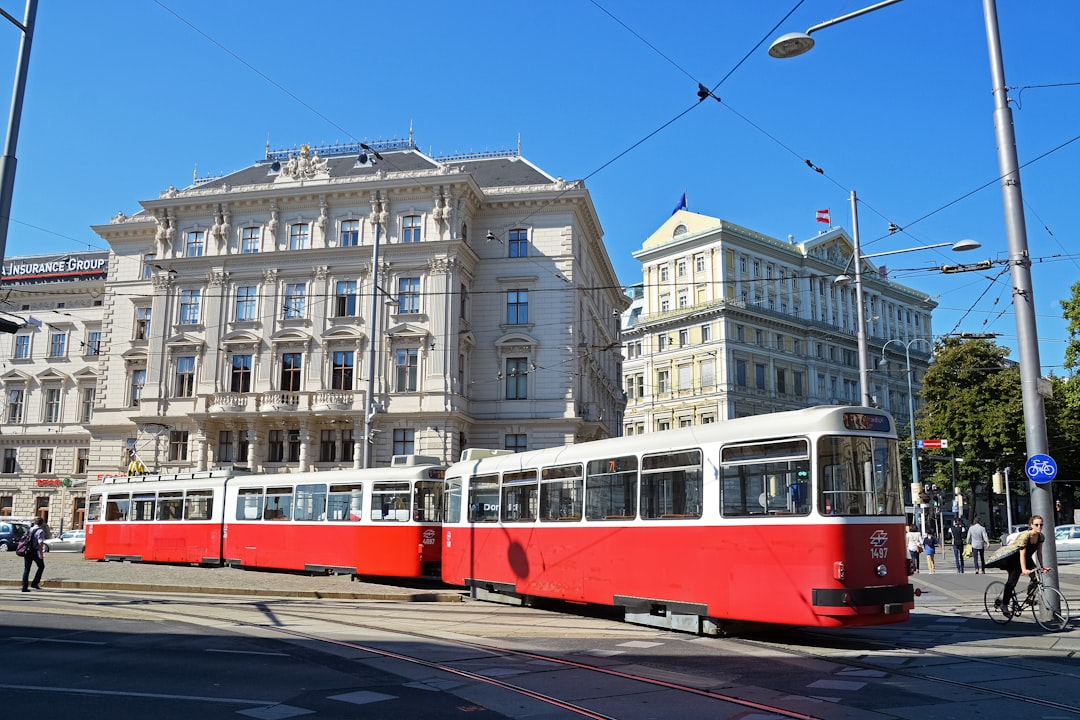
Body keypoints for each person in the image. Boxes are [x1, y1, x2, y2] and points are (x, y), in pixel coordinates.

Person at [1000, 515, 1049, 613]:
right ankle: (1004, 604)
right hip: (1014, 560)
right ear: (1031, 525)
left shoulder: (1040, 537)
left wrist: (1042, 567)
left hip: (1027, 559)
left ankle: (1029, 597)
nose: (1039, 527)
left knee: (1036, 578)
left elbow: (1039, 553)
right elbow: (1022, 554)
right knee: (1012, 583)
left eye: (1041, 525)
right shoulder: (1025, 536)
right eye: (1036, 524)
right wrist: (1024, 569)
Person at [21, 517, 46, 592]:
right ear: (42, 523)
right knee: (41, 566)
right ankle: (35, 583)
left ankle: (24, 587)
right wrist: (41, 554)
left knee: (26, 569)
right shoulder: (40, 531)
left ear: (34, 523)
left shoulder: (30, 529)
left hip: (27, 551)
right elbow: (40, 543)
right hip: (34, 551)